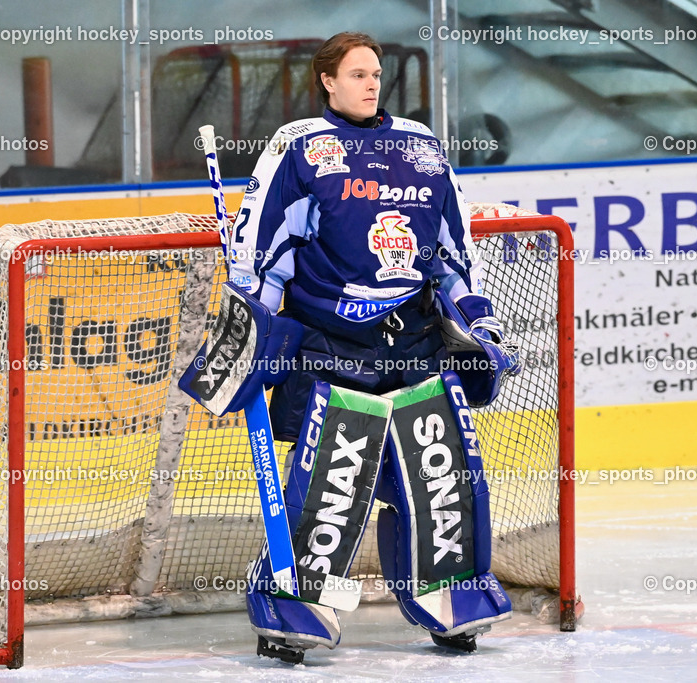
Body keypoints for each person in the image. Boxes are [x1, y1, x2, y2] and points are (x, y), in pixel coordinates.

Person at [229, 31, 516, 662]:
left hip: (412, 341)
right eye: (356, 73)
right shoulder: (300, 146)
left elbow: (450, 254)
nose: (370, 83)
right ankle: (294, 598)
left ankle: (451, 590)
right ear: (327, 81)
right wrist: (250, 327)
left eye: (376, 74)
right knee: (333, 483)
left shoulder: (421, 147)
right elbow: (265, 255)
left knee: (441, 474)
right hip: (333, 344)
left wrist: (479, 326)